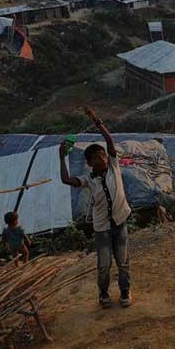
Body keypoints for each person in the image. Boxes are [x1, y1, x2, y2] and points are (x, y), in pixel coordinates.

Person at [59, 108, 133, 308]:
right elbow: (66, 180)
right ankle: (103, 294)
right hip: (102, 228)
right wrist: (60, 156)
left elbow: (109, 141)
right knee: (104, 265)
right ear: (89, 163)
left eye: (103, 155)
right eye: (97, 157)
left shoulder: (114, 167)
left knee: (123, 262)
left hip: (120, 221)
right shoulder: (88, 180)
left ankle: (125, 292)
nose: (102, 157)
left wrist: (96, 121)